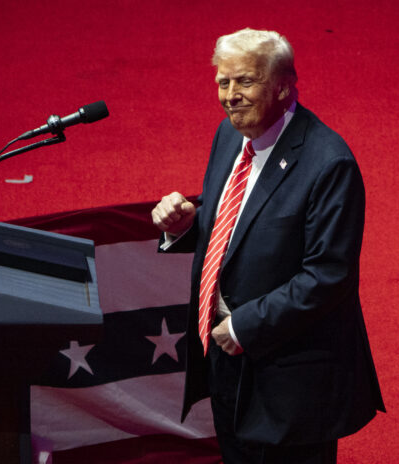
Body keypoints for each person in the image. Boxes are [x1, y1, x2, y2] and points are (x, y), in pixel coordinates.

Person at [152, 28, 384, 464]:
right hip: (225, 356)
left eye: (245, 81)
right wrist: (186, 224)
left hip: (289, 377)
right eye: (223, 82)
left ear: (282, 85)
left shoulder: (329, 164)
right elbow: (234, 219)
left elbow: (327, 276)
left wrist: (243, 327)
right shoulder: (228, 135)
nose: (230, 95)